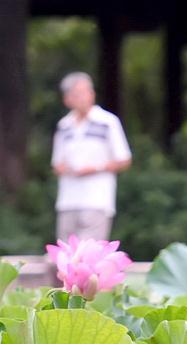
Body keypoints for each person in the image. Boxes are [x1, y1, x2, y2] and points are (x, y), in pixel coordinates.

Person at [51, 72, 132, 240]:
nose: (84, 98)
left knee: (90, 256)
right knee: (65, 256)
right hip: (68, 200)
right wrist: (66, 169)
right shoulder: (64, 125)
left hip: (97, 199)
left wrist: (95, 168)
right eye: (77, 94)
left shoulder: (108, 121)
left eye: (87, 92)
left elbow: (124, 160)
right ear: (67, 99)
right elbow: (56, 163)